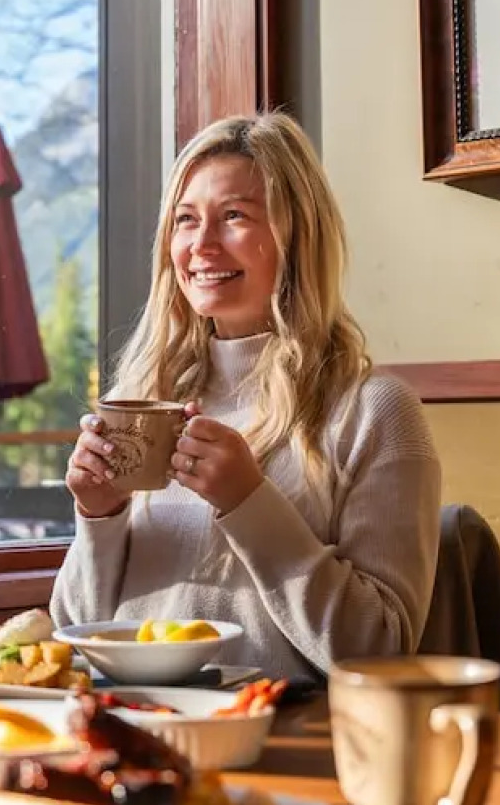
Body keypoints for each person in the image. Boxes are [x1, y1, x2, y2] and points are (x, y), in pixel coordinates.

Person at [50, 113, 442, 680]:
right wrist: (98, 514)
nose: (202, 245)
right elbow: (79, 634)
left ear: (297, 237)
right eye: (186, 220)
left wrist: (249, 504)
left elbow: (376, 652)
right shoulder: (141, 405)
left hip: (290, 743)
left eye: (234, 216)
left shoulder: (375, 412)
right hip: (133, 730)